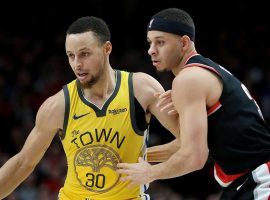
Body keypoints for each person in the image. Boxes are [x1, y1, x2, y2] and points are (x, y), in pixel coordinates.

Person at [0, 16, 179, 200]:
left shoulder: (142, 89)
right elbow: (23, 163)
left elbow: (191, 144)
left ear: (106, 48)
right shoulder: (58, 105)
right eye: (71, 55)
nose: (77, 64)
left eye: (84, 54)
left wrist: (149, 164)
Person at [117, 8, 270, 199]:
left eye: (160, 42)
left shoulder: (188, 79)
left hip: (261, 178)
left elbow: (194, 157)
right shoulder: (199, 73)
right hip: (246, 181)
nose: (151, 50)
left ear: (184, 43)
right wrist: (131, 154)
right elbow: (182, 146)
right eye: (150, 43)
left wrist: (149, 173)